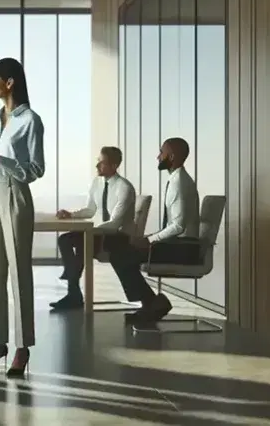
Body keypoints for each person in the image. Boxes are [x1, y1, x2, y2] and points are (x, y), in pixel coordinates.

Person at [0, 58, 44, 377]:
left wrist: (2, 160)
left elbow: (36, 169)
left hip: (15, 192)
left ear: (10, 82)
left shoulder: (31, 120)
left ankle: (22, 347)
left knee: (19, 272)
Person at [109, 137, 200, 327]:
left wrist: (150, 240)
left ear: (172, 156)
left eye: (162, 152)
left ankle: (151, 303)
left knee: (121, 255)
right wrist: (149, 239)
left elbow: (178, 226)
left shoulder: (179, 183)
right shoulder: (177, 179)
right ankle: (150, 303)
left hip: (183, 248)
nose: (158, 157)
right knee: (122, 251)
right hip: (178, 244)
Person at [50, 146, 137, 310]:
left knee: (81, 242)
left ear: (114, 165)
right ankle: (73, 285)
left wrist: (90, 231)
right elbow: (90, 210)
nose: (97, 166)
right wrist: (71, 214)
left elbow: (115, 223)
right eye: (98, 162)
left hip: (118, 238)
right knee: (65, 239)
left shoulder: (124, 188)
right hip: (101, 233)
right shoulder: (97, 182)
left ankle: (73, 290)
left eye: (101, 163)